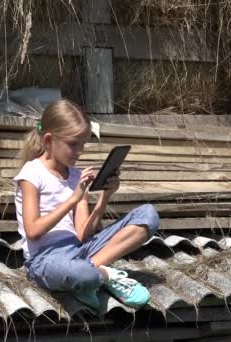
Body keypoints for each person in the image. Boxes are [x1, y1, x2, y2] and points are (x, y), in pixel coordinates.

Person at [14, 99, 159, 310]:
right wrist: (73, 198)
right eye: (73, 144)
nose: (80, 150)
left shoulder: (76, 176)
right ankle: (105, 275)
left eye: (83, 143)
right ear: (48, 141)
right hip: (44, 260)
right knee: (82, 274)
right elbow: (33, 230)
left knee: (148, 215)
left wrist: (104, 198)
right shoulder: (31, 174)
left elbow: (83, 235)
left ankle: (93, 276)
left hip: (80, 250)